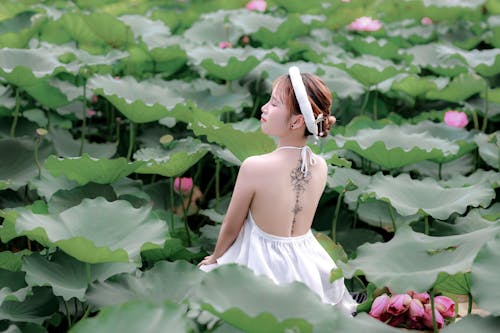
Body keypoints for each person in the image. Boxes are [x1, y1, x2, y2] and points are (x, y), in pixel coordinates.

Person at [197, 66, 357, 316]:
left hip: (260, 263)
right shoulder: (321, 166)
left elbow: (232, 225)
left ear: (296, 121)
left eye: (273, 104)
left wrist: (215, 257)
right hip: (308, 264)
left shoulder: (255, 166)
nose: (264, 108)